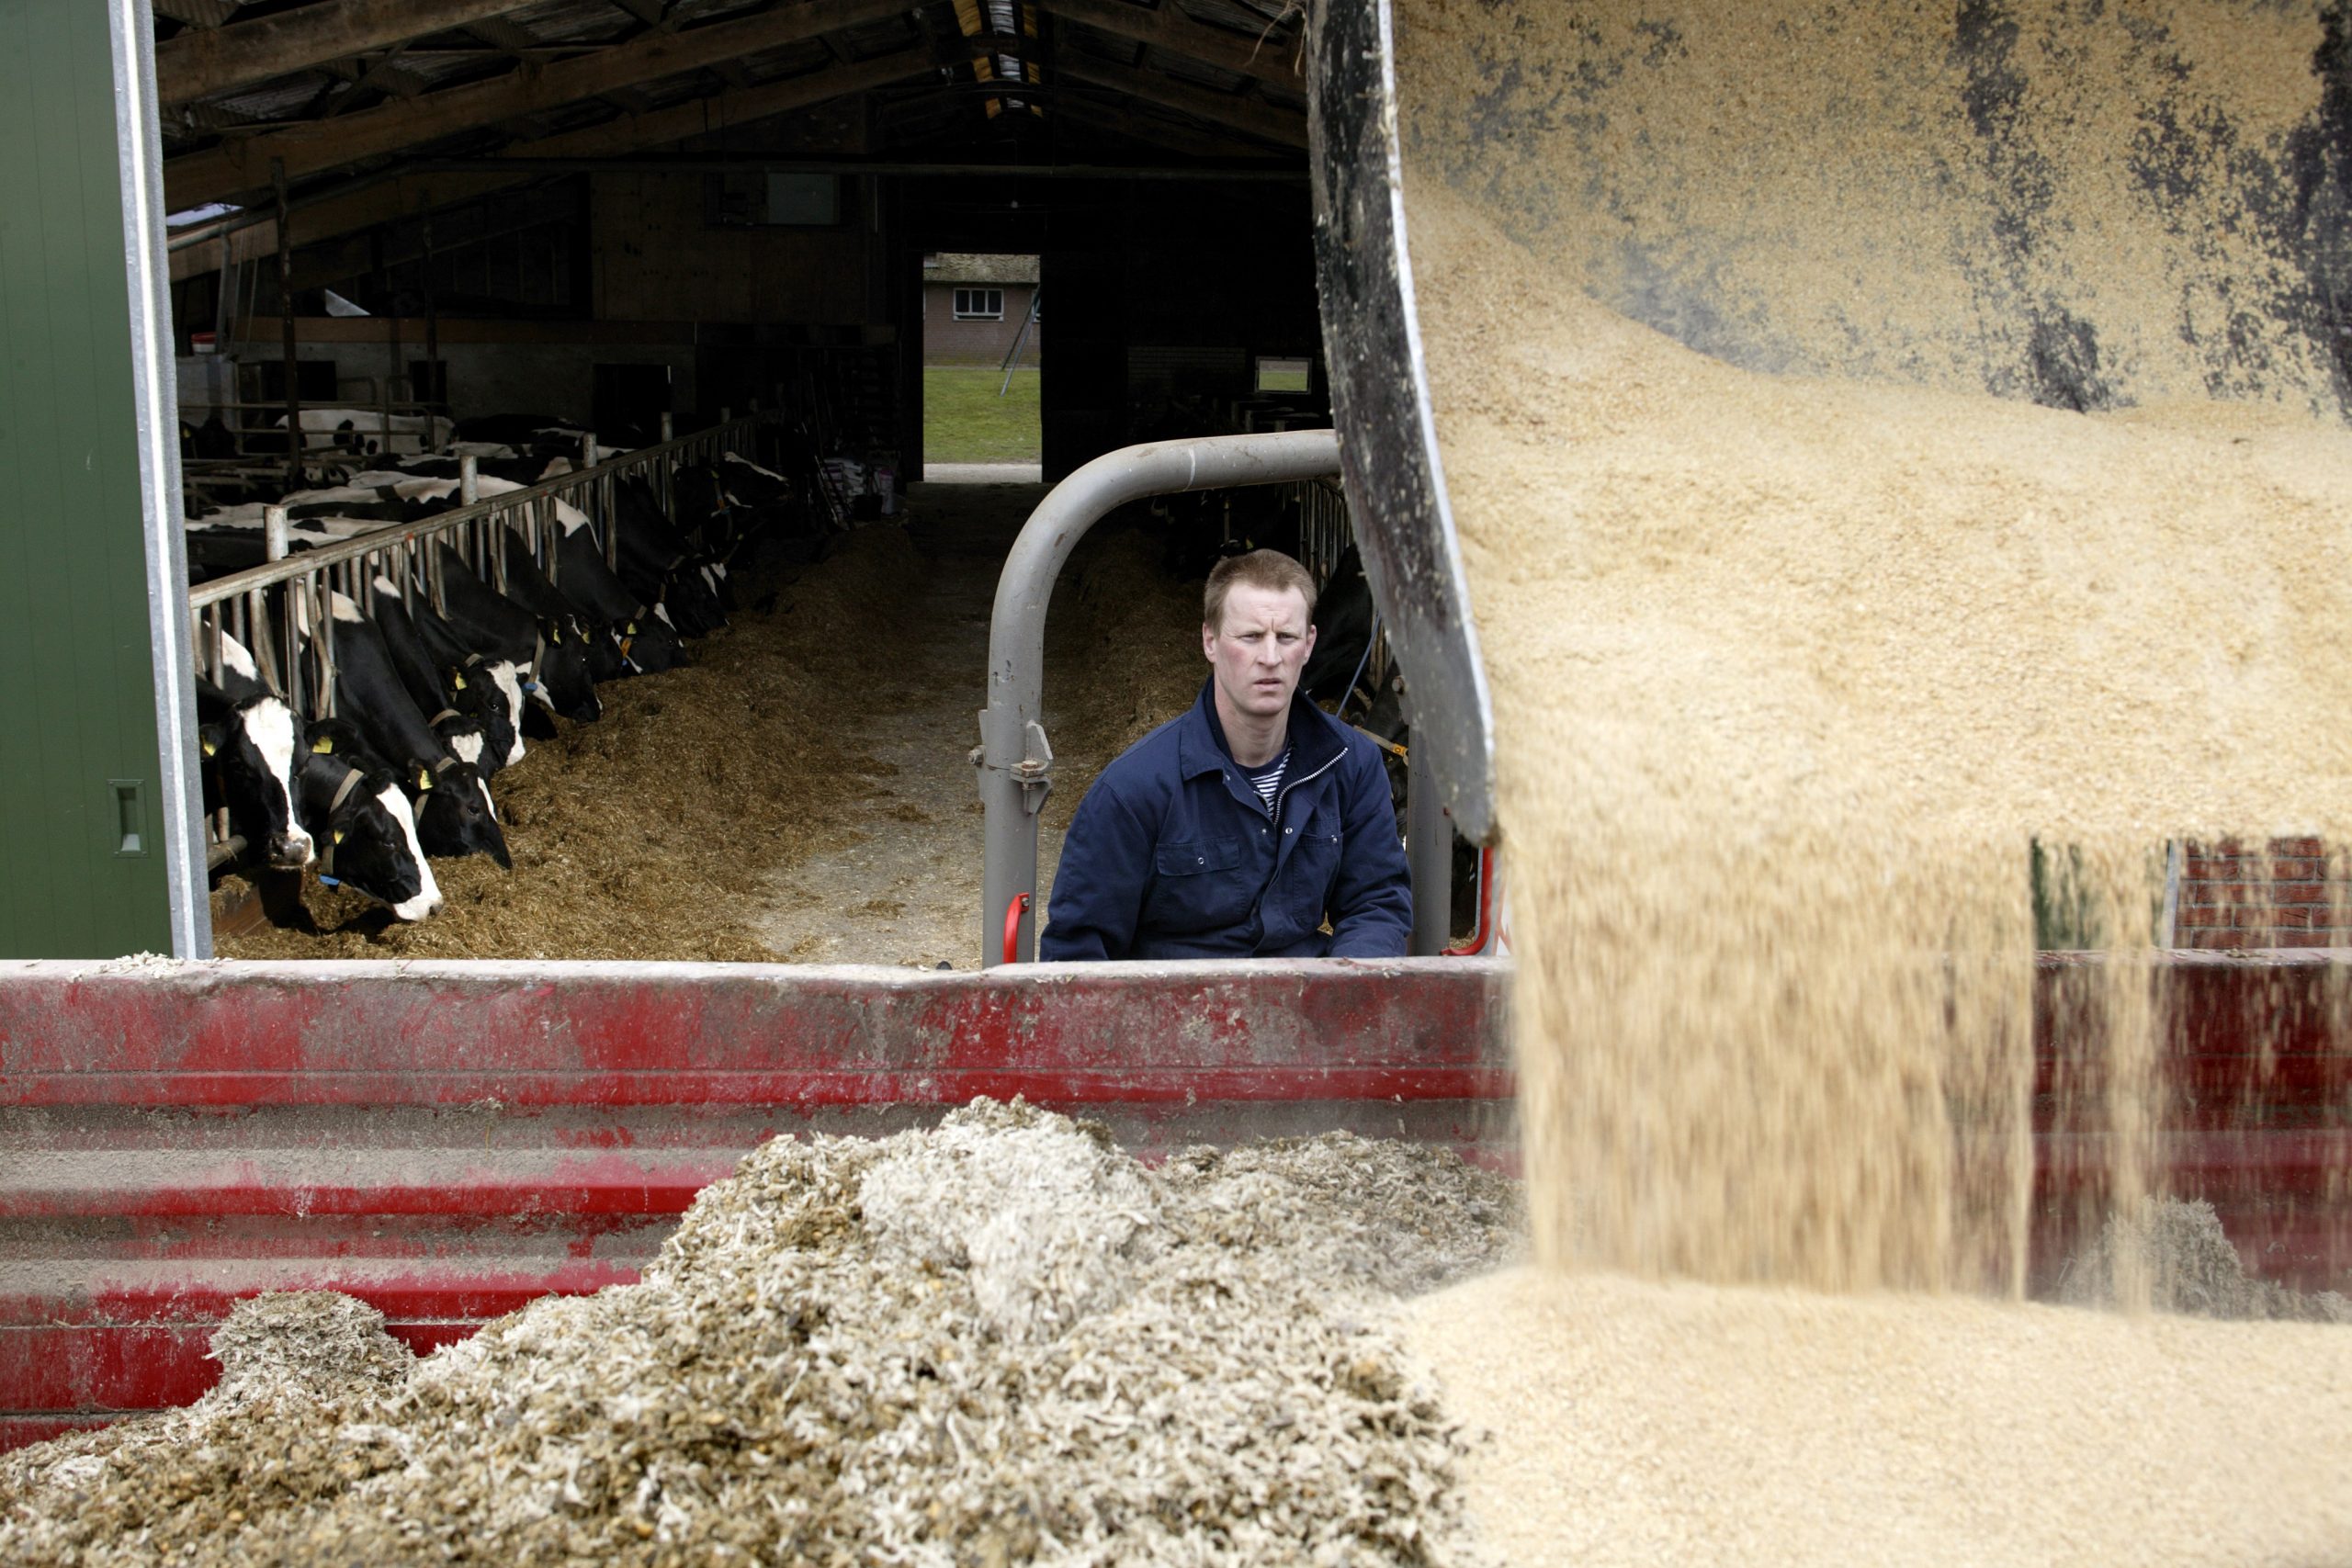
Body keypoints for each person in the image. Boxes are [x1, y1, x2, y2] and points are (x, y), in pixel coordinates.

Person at [1039, 548, 1412, 961]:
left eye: (1285, 637)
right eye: (1250, 637)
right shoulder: (1133, 790)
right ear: (1210, 642)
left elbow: (1375, 901)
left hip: (1305, 1004)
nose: (1270, 658)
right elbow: (1079, 952)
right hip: (1175, 1010)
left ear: (1308, 645)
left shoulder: (1351, 762)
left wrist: (1351, 990)